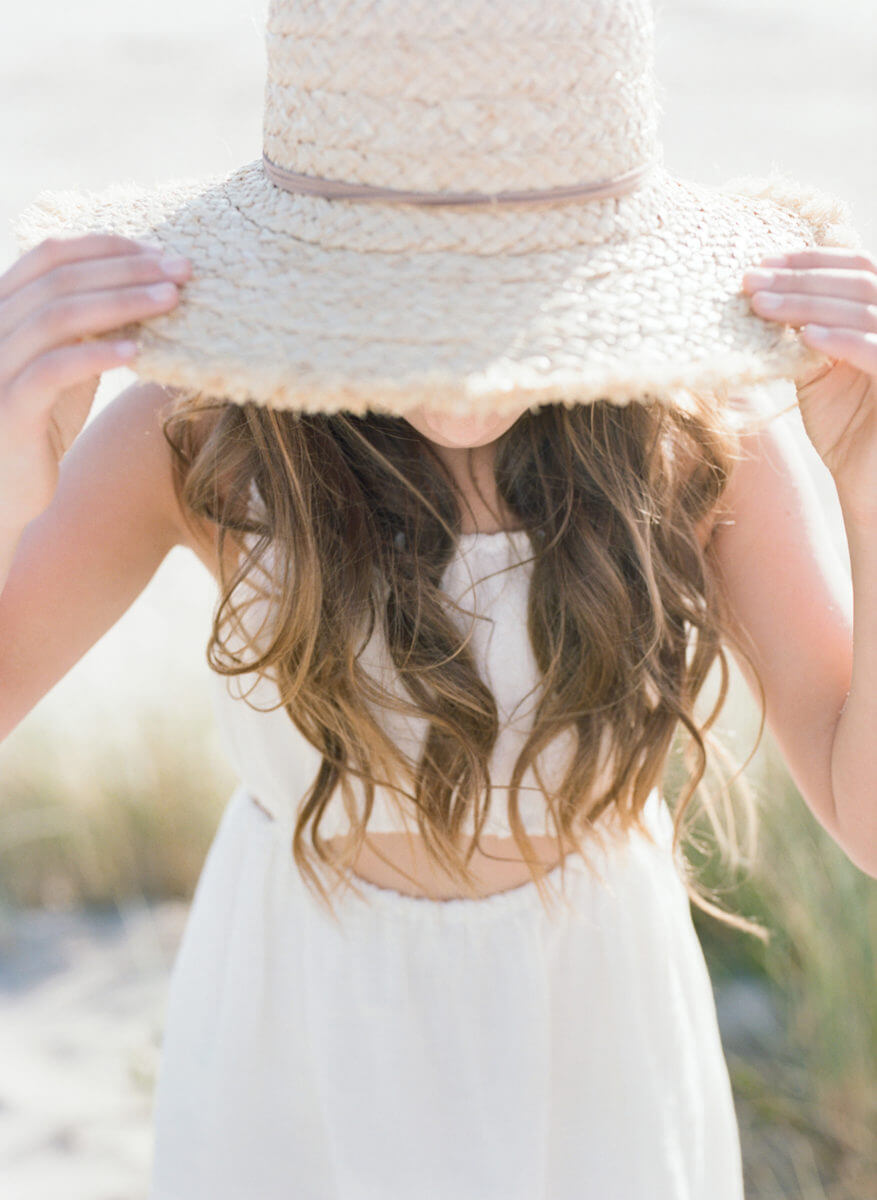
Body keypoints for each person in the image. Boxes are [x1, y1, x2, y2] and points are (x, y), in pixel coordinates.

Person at [2, 0, 874, 1196]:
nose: (462, 367)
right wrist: (9, 482)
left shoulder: (693, 431)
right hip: (299, 1017)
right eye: (414, 289)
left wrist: (868, 484)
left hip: (593, 1027)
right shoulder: (204, 428)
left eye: (504, 289)